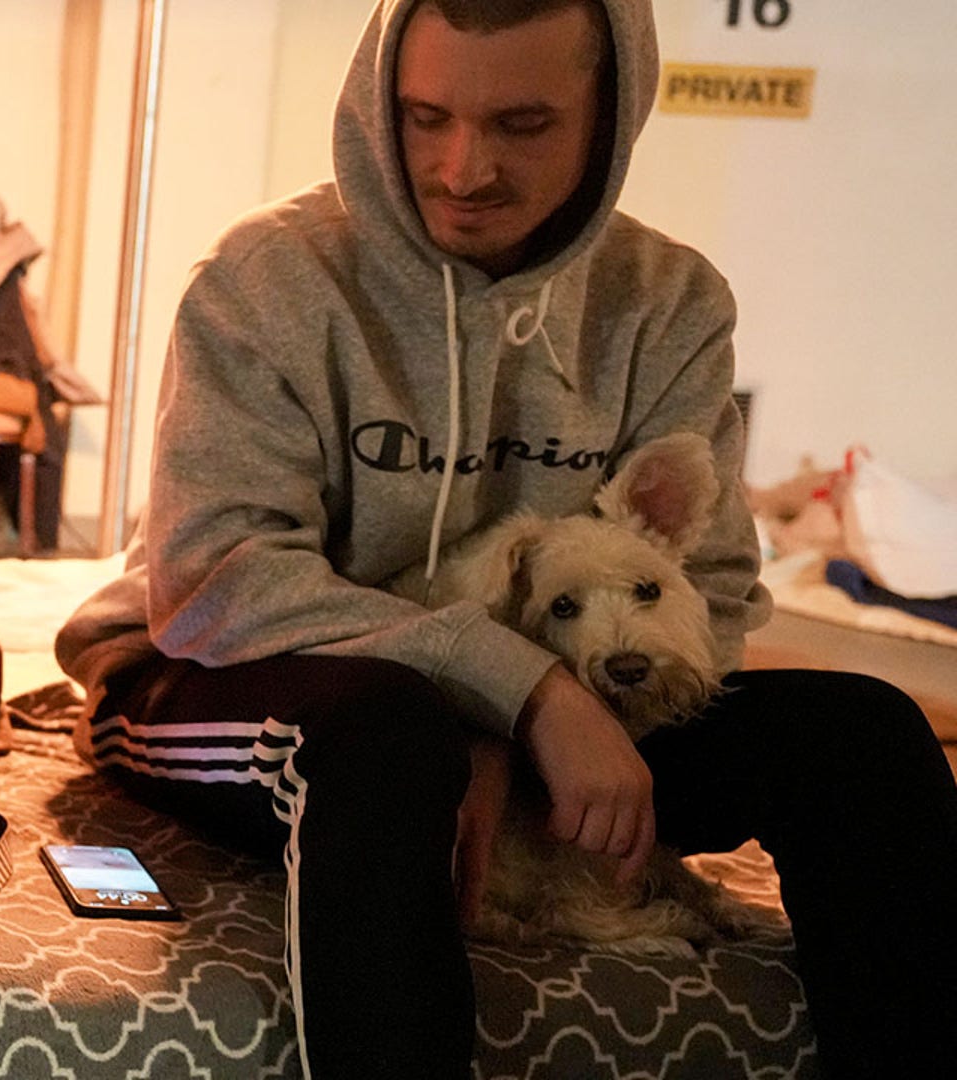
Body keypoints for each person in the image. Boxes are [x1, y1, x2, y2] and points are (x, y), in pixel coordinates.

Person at [53, 1, 957, 1077]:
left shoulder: (668, 304)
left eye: (522, 125)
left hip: (562, 701)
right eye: (424, 115)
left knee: (862, 731)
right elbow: (216, 584)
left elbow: (706, 592)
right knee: (395, 745)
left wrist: (543, 715)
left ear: (611, 113)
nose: (462, 166)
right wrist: (512, 696)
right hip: (235, 679)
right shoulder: (263, 282)